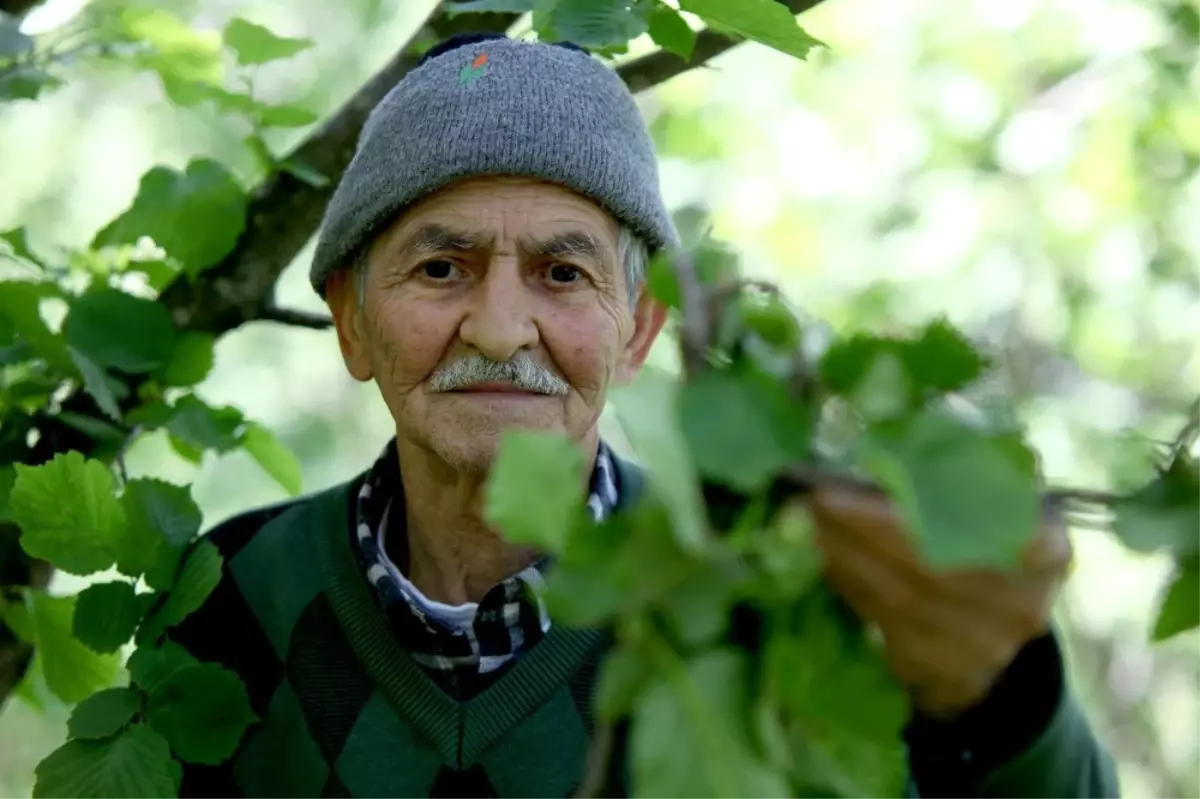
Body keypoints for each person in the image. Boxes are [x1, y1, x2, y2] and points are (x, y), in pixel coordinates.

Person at [170, 32, 1120, 799]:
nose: (502, 328)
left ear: (637, 332)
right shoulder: (233, 594)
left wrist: (1001, 700)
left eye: (562, 273)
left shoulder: (758, 594)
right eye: (441, 268)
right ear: (352, 321)